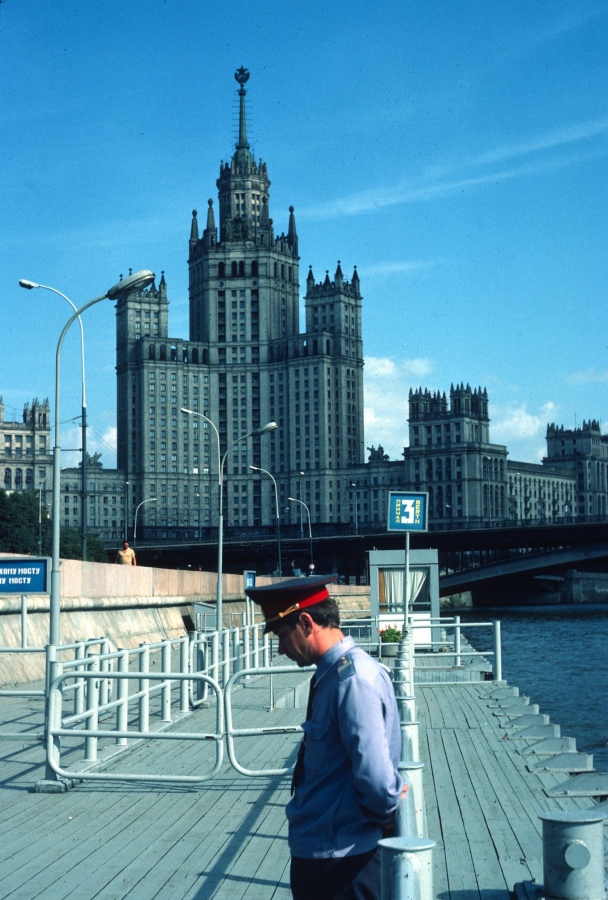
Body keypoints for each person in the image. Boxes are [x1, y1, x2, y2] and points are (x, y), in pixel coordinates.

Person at [245, 574, 404, 899]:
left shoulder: (351, 682)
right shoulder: (336, 675)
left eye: (281, 635)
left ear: (306, 622)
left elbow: (376, 782)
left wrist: (386, 817)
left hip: (340, 864)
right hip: (329, 855)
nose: (280, 648)